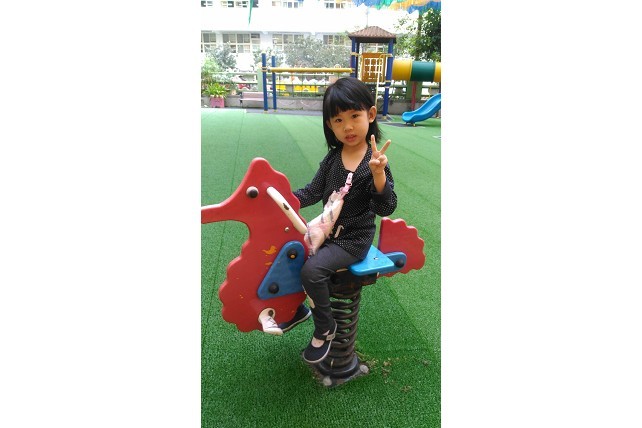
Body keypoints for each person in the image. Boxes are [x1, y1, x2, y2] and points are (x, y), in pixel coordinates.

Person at [278, 77, 397, 364]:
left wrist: (379, 175)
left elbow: (386, 207)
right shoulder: (333, 158)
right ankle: (297, 309)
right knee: (289, 252)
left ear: (370, 114)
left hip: (353, 240)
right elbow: (312, 191)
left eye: (354, 116)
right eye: (338, 120)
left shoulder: (374, 162)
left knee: (312, 270)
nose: (348, 127)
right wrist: (283, 202)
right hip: (327, 231)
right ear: (330, 125)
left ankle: (325, 327)